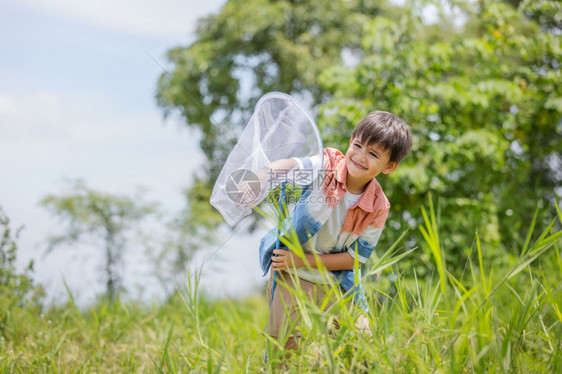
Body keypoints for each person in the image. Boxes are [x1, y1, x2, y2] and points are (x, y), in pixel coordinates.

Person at [258, 110, 412, 358]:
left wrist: (300, 259)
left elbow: (353, 259)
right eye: (358, 145)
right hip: (293, 274)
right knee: (284, 352)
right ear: (351, 140)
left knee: (362, 351)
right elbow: (294, 166)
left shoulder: (378, 206)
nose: (361, 156)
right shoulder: (326, 164)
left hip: (337, 280)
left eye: (373, 154)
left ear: (389, 166)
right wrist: (262, 175)